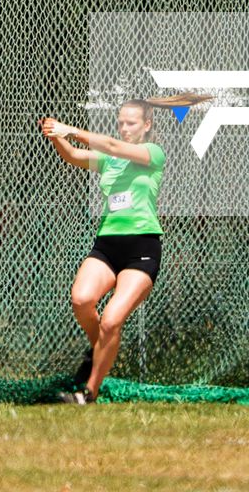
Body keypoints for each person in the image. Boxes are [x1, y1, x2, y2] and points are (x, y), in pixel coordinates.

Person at [40, 101, 164, 404]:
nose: (124, 128)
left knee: (111, 321)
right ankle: (102, 349)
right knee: (81, 300)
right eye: (121, 123)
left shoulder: (153, 154)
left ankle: (88, 392)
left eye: (131, 123)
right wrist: (55, 133)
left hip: (142, 246)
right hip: (107, 244)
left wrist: (73, 130)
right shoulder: (110, 160)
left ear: (147, 125)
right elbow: (72, 155)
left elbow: (111, 144)